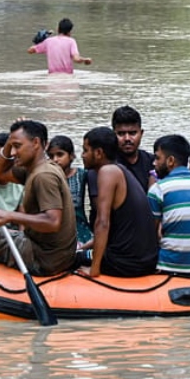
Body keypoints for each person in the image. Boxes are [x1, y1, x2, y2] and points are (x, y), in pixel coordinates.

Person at [0, 120, 77, 276]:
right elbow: (0, 172)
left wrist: (11, 216)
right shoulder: (36, 168)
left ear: (36, 143)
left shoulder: (43, 176)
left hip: (44, 259)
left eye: (17, 146)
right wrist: (10, 141)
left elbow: (53, 222)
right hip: (53, 253)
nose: (12, 153)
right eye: (12, 146)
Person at [77, 127, 159, 278]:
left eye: (85, 150)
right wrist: (84, 246)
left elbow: (102, 223)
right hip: (145, 260)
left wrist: (94, 270)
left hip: (125, 264)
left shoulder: (107, 172)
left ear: (99, 153)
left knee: (71, 259)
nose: (82, 155)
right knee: (79, 253)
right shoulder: (120, 169)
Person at [148, 135, 190, 274]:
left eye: (158, 158)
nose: (154, 163)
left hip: (170, 265)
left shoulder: (158, 189)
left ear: (170, 161)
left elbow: (150, 234)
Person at [47, 135, 92, 245]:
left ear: (72, 156)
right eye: (51, 156)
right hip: (56, 232)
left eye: (60, 154)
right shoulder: (47, 177)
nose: (55, 160)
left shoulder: (82, 175)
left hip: (81, 229)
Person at [28, 18, 92, 74]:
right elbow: (76, 59)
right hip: (67, 76)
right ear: (70, 32)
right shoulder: (71, 41)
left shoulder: (48, 41)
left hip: (52, 76)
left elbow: (30, 51)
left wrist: (40, 40)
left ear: (58, 29)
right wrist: (85, 60)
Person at [112, 105, 155, 190]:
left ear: (141, 133)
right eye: (121, 134)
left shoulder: (152, 162)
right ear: (113, 134)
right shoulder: (108, 164)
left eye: (132, 133)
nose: (127, 139)